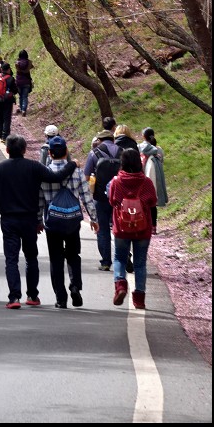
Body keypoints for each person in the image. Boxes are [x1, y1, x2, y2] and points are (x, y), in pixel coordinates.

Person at [0, 134, 77, 308]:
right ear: (25, 150)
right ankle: (32, 295)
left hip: (9, 220)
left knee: (11, 259)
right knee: (31, 257)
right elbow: (56, 177)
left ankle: (14, 298)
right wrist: (72, 164)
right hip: (29, 220)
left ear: (7, 150)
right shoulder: (34, 167)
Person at [39, 136, 98, 309]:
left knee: (55, 259)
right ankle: (75, 287)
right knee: (73, 255)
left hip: (52, 223)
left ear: (49, 153)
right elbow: (87, 197)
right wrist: (93, 219)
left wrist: (37, 221)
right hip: (72, 221)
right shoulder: (77, 172)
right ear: (66, 152)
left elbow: (39, 200)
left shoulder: (45, 173)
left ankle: (61, 298)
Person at [108, 148, 157, 309]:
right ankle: (139, 299)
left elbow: (112, 201)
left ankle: (121, 284)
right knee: (140, 263)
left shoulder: (116, 181)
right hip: (142, 229)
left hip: (122, 228)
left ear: (123, 162)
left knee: (120, 259)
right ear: (139, 162)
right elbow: (152, 202)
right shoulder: (146, 182)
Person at [84, 126, 121, 271]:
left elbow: (86, 176)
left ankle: (105, 262)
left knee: (103, 229)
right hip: (119, 197)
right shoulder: (122, 152)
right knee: (120, 228)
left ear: (99, 140)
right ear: (113, 139)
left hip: (100, 197)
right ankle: (124, 257)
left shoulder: (94, 153)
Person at [139, 128, 169, 208]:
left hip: (142, 177)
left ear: (143, 136)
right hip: (156, 178)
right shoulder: (158, 150)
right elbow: (161, 160)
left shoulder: (139, 148)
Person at [0, 62, 17, 143]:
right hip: (7, 101)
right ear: (9, 69)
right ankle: (5, 136)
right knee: (6, 118)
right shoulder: (11, 78)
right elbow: (15, 90)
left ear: (1, 69)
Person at [14, 49, 34, 117]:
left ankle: (21, 108)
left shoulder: (17, 63)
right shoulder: (29, 62)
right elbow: (31, 67)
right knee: (25, 96)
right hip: (27, 81)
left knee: (20, 96)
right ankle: (24, 110)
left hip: (19, 81)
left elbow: (17, 69)